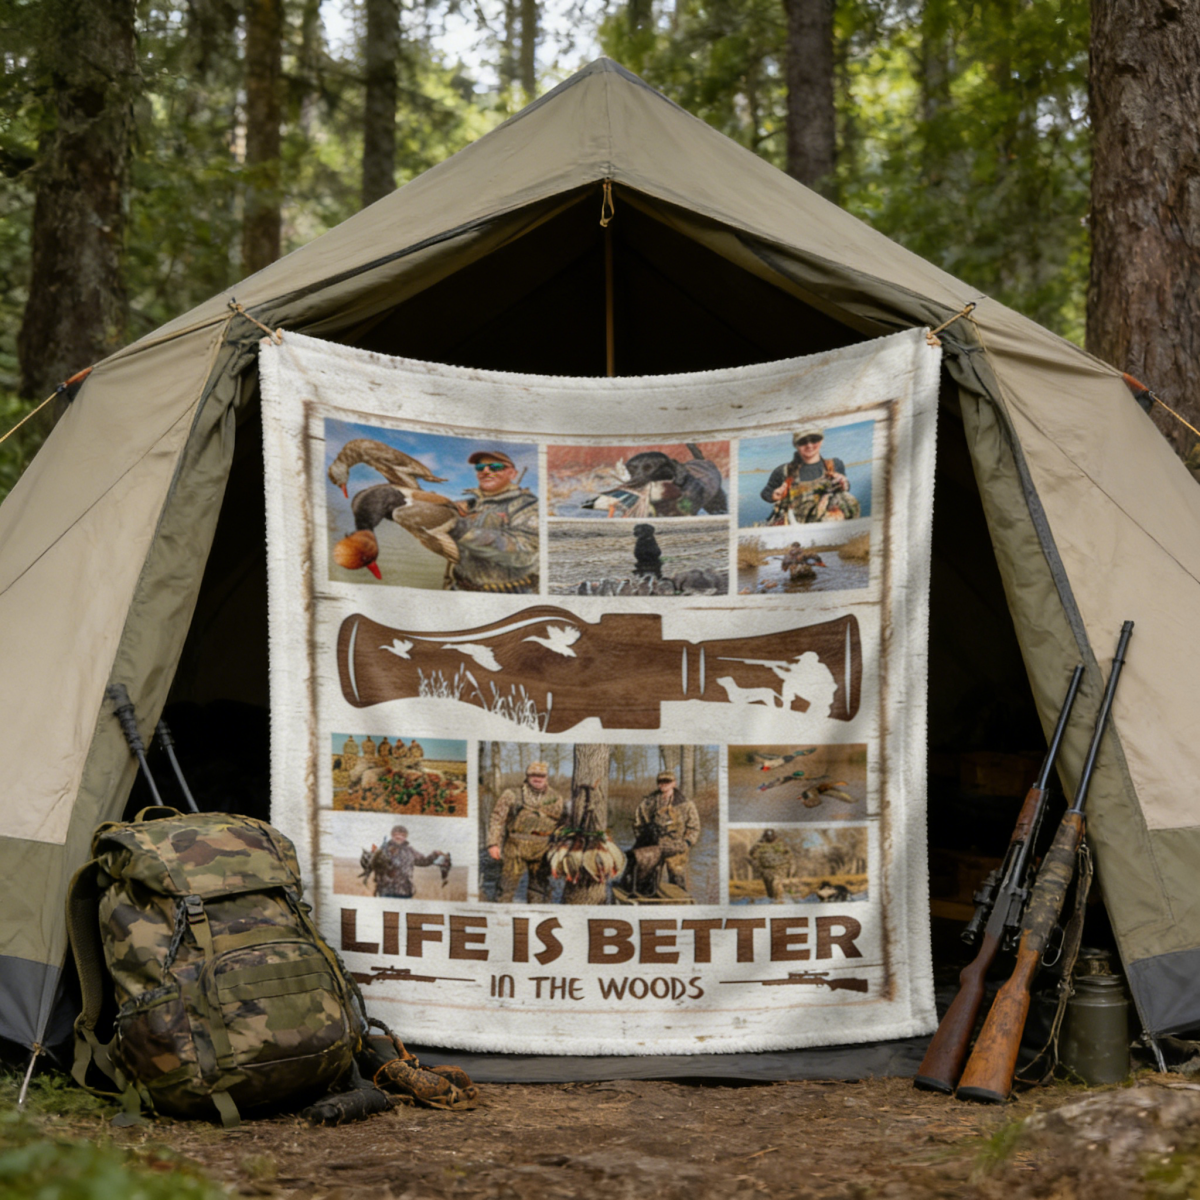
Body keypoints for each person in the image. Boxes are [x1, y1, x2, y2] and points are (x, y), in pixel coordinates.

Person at [447, 450, 540, 592]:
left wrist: (461, 529)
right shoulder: (471, 504)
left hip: (509, 594)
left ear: (512, 474)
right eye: (479, 468)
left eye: (495, 467)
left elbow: (526, 552)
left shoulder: (528, 505)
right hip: (458, 589)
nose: (485, 471)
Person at [486, 761, 564, 903]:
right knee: (506, 888)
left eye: (541, 775)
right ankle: (500, 918)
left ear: (546, 777)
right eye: (534, 775)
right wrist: (493, 843)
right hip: (515, 848)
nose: (538, 778)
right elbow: (497, 818)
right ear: (527, 776)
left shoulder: (556, 798)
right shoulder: (512, 794)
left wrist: (560, 851)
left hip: (543, 849)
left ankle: (535, 917)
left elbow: (561, 826)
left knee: (539, 890)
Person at [761, 426, 860, 524]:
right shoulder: (783, 470)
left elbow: (846, 489)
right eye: (803, 441)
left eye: (814, 440)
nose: (809, 445)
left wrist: (844, 484)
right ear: (796, 445)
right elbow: (766, 493)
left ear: (821, 441)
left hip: (829, 524)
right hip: (795, 527)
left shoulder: (834, 465)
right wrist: (775, 495)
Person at [632, 770, 700, 891]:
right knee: (647, 879)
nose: (663, 784)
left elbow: (694, 827)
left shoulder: (686, 804)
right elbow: (638, 823)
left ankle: (679, 906)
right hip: (652, 846)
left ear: (674, 783)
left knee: (677, 880)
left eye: (667, 781)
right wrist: (643, 840)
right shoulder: (648, 803)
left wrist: (687, 843)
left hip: (676, 847)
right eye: (661, 781)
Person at [360, 826, 444, 899]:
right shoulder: (382, 850)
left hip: (405, 891)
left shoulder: (410, 851)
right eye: (396, 834)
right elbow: (371, 864)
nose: (399, 837)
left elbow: (424, 861)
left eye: (402, 835)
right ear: (392, 835)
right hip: (386, 890)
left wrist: (434, 854)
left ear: (406, 837)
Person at [748, 829, 794, 903]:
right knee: (770, 892)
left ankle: (780, 901)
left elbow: (790, 857)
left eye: (771, 836)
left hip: (780, 869)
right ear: (765, 836)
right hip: (766, 871)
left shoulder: (781, 843)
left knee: (776, 885)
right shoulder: (759, 844)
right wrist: (758, 867)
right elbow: (751, 855)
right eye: (768, 836)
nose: (770, 838)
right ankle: (775, 903)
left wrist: (791, 871)